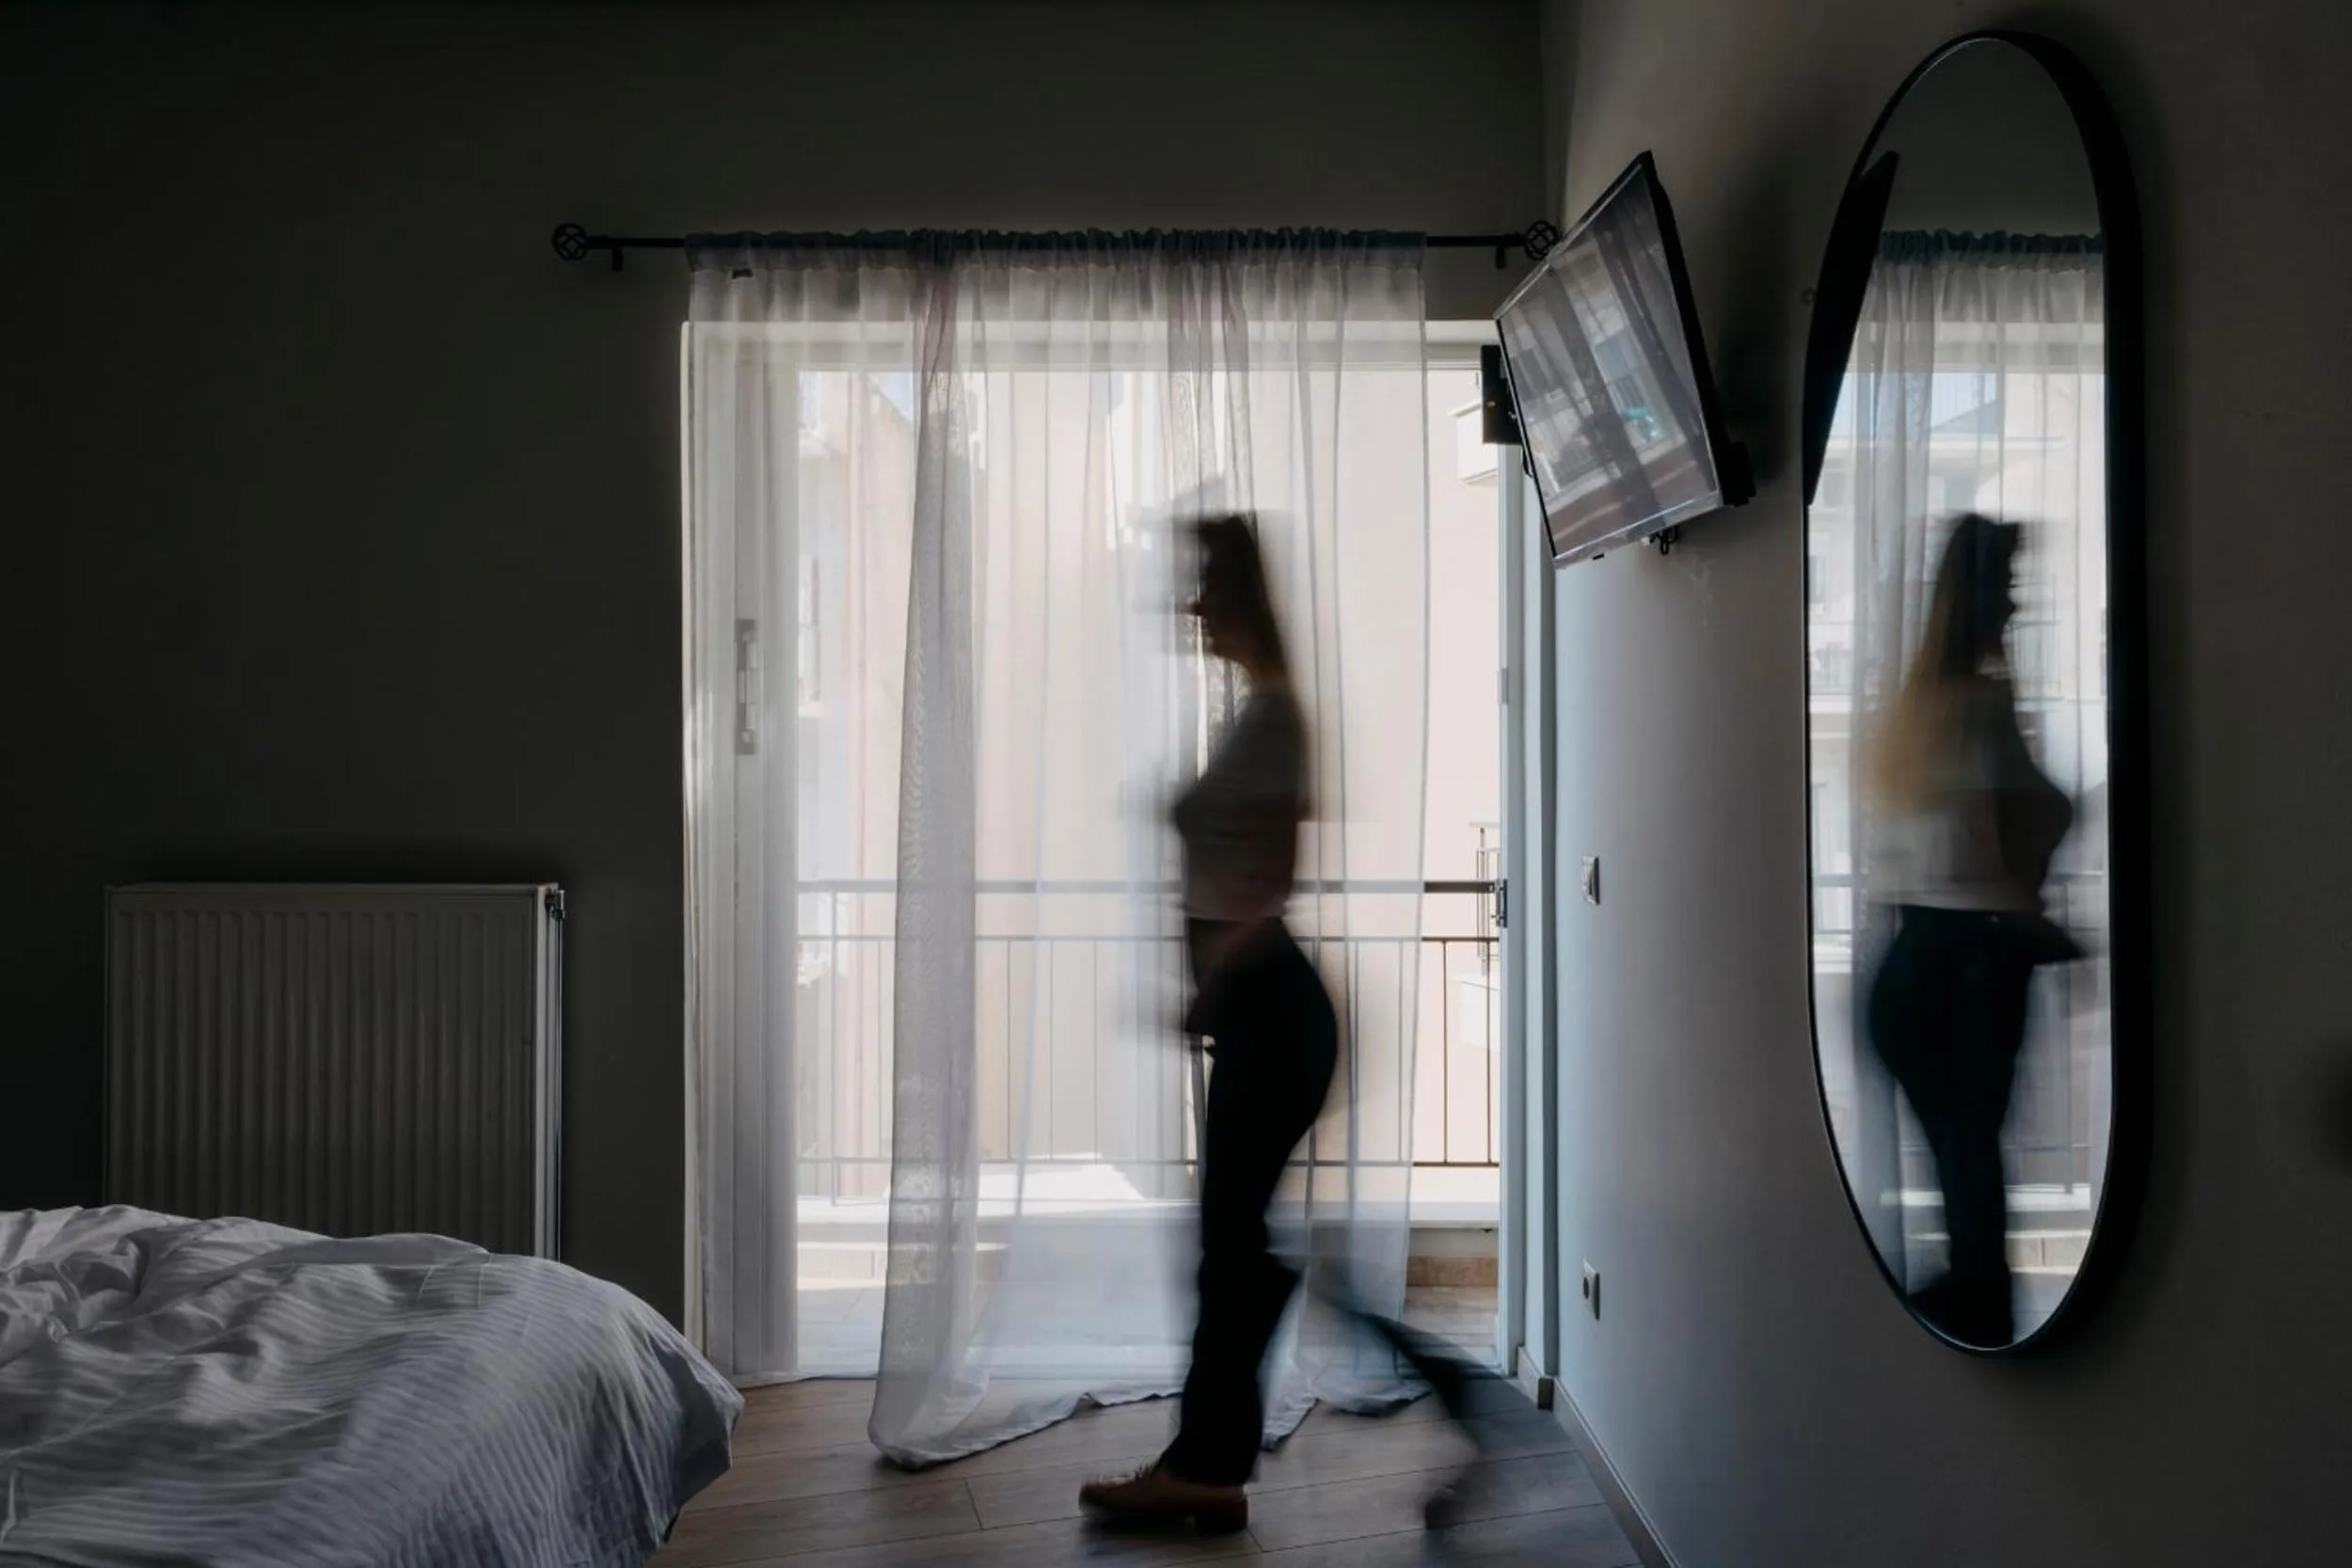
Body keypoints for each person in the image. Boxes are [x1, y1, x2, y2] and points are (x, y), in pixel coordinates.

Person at [1078, 514, 1484, 1534]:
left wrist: (1209, 979)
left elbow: (1268, 880)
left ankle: (1212, 1466)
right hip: (1260, 1008)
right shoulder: (1256, 713)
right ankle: (1212, 1460)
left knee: (1235, 1246)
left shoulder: (1273, 718)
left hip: (1272, 1007)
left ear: (1243, 595)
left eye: (1206, 584)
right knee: (1239, 1247)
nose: (1192, 603)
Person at [1864, 514, 2077, 1349]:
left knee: (1964, 1171)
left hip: (1911, 966)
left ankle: (1965, 1325)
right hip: (1966, 967)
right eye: (2012, 587)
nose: (2019, 606)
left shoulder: (1913, 710)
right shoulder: (1982, 705)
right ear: (1984, 595)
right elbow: (1998, 834)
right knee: (1974, 1177)